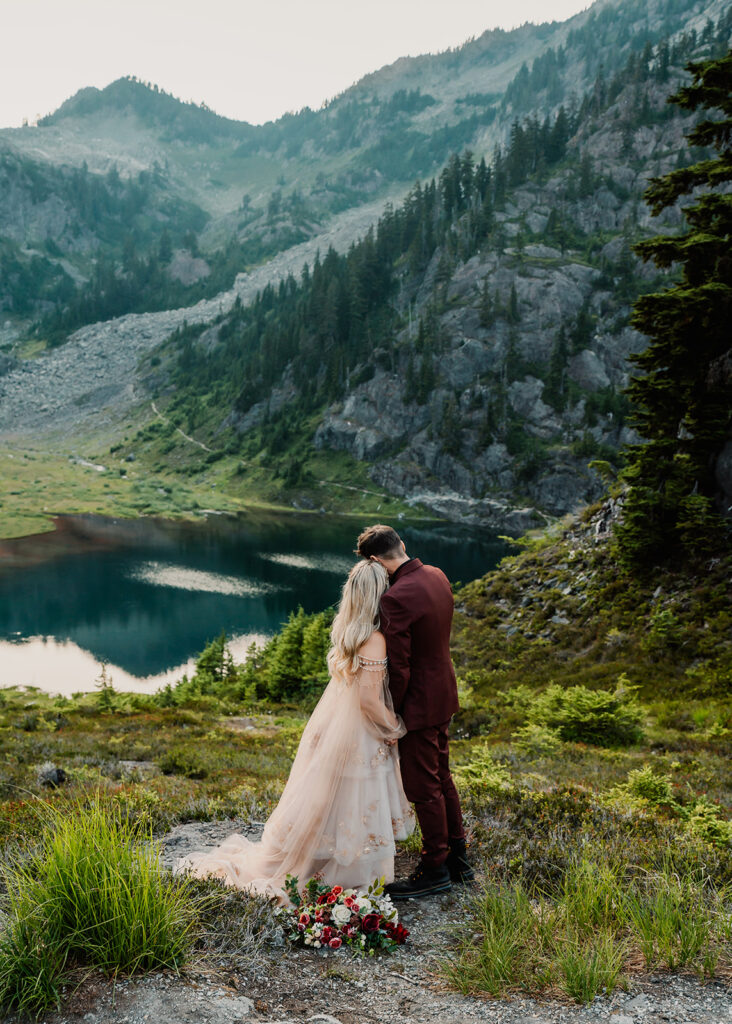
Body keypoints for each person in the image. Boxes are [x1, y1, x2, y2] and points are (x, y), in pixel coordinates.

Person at [175, 559, 415, 899]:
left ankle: (322, 858)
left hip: (336, 729)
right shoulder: (374, 639)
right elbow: (369, 701)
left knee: (336, 798)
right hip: (362, 732)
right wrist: (394, 727)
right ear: (379, 594)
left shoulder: (348, 630)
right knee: (358, 797)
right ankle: (349, 869)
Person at [356, 524, 473, 899]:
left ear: (375, 560)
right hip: (444, 694)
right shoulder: (437, 575)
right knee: (442, 777)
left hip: (420, 705)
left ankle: (435, 868)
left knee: (423, 788)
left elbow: (401, 666)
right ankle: (459, 858)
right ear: (402, 545)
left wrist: (394, 712)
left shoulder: (396, 597)